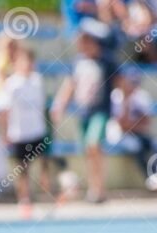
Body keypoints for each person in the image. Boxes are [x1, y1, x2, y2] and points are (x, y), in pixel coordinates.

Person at [52, 20, 117, 203]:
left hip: (100, 111)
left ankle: (99, 187)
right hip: (83, 112)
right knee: (88, 151)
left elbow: (120, 83)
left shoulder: (107, 61)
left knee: (94, 145)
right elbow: (70, 85)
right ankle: (94, 189)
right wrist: (60, 105)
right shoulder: (78, 62)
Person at [0, 47, 49, 217]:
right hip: (20, 133)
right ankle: (24, 200)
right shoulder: (12, 84)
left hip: (38, 131)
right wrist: (5, 134)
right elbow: (5, 110)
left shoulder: (37, 81)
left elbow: (42, 108)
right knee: (22, 169)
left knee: (44, 164)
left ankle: (45, 195)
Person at [108, 67, 157, 190]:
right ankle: (150, 179)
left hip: (138, 133)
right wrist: (126, 100)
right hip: (120, 135)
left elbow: (147, 123)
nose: (133, 85)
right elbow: (122, 126)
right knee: (135, 146)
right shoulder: (116, 96)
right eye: (130, 81)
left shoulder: (142, 96)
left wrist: (132, 125)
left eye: (135, 81)